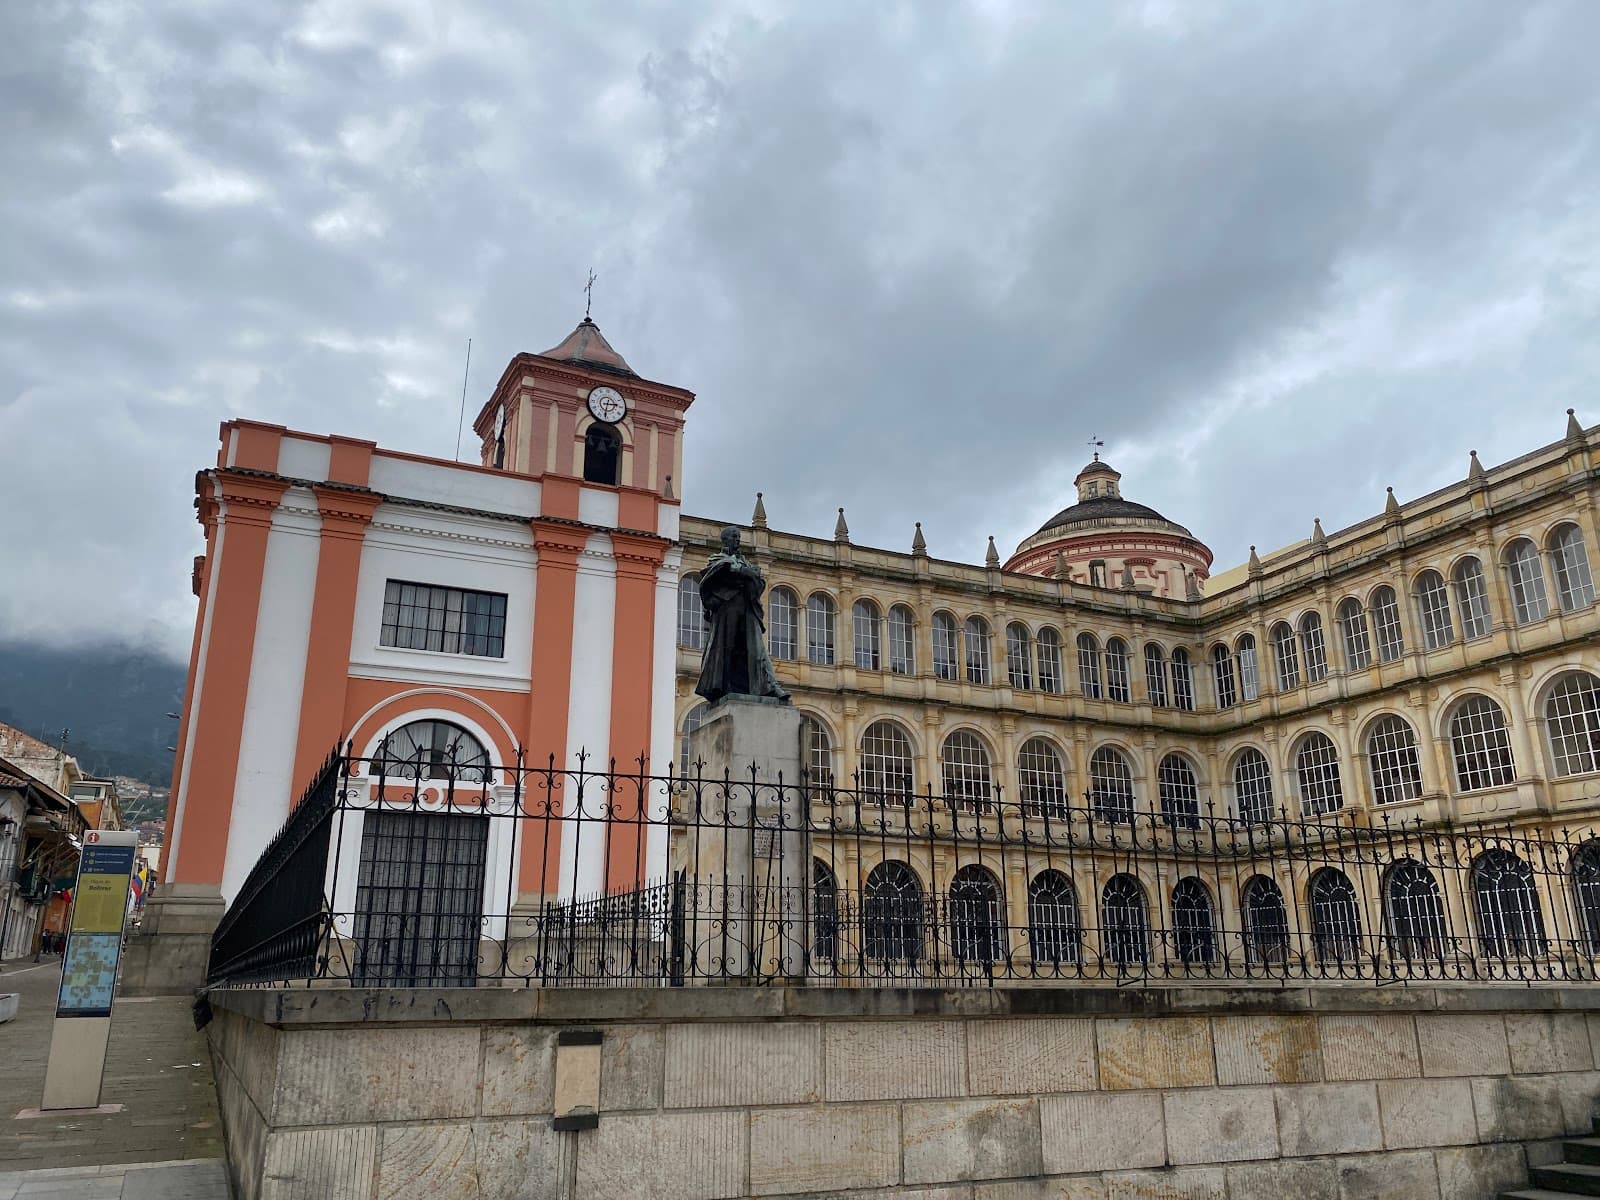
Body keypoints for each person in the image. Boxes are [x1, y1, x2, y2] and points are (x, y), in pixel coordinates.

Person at [694, 526, 791, 704]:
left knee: (756, 649)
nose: (737, 540)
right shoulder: (717, 559)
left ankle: (769, 686)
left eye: (738, 537)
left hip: (746, 608)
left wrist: (743, 572)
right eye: (734, 536)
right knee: (727, 648)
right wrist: (742, 572)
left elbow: (758, 581)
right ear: (725, 540)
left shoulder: (744, 561)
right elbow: (715, 573)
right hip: (727, 608)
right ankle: (725, 686)